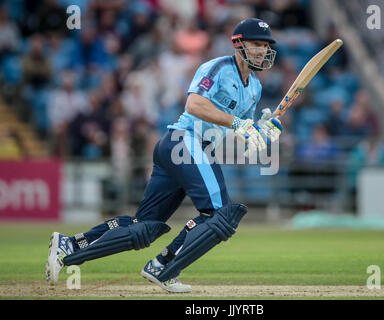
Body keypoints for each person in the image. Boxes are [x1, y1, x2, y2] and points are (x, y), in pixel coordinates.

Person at [46, 18, 283, 293]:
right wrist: (237, 123)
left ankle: (70, 245)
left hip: (190, 149)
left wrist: (261, 132)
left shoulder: (255, 87)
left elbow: (241, 130)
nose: (262, 51)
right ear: (238, 43)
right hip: (183, 141)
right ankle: (163, 265)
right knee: (220, 214)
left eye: (265, 46)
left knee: (144, 227)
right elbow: (194, 104)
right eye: (256, 44)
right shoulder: (217, 67)